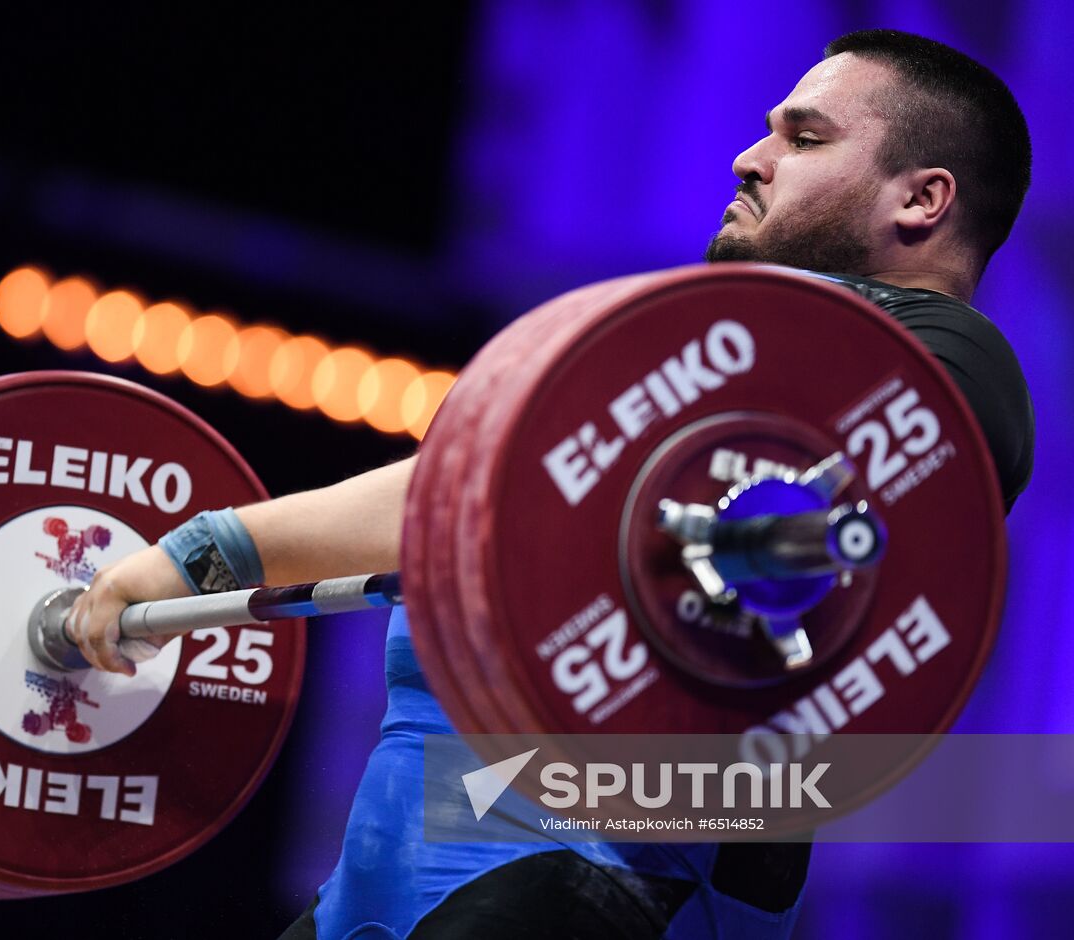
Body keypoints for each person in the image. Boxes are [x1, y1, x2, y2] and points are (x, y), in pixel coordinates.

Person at [67, 29, 1034, 939]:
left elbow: (503, 489)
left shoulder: (944, 362)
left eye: (804, 138)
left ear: (922, 200)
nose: (749, 157)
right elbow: (460, 491)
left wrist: (206, 550)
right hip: (385, 876)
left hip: (606, 876)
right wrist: (201, 557)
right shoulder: (686, 349)